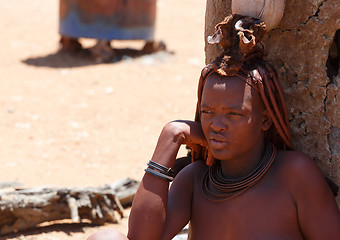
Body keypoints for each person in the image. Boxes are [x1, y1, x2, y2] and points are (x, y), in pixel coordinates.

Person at [88, 14, 340, 240]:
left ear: (265, 120)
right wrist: (172, 134)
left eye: (234, 114)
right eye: (208, 112)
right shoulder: (195, 179)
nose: (217, 125)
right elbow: (142, 238)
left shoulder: (294, 175)